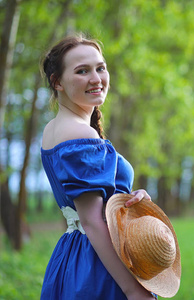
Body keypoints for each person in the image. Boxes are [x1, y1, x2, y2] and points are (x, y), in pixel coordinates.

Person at [40, 34, 158, 299]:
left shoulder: (56, 127)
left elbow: (93, 204)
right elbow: (92, 221)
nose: (96, 78)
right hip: (98, 264)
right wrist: (133, 290)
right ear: (57, 82)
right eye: (82, 71)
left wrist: (126, 200)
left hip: (76, 255)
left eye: (100, 68)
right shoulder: (78, 134)